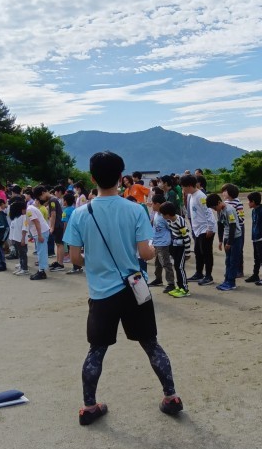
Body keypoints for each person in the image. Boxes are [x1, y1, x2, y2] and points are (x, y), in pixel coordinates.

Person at [65, 150, 183, 425]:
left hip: (101, 293)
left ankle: (89, 406)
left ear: (92, 178)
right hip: (134, 288)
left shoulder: (81, 214)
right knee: (151, 344)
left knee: (96, 350)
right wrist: (149, 248)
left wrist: (95, 261)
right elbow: (145, 253)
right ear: (121, 177)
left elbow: (74, 258)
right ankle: (171, 396)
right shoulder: (135, 209)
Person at [180, 174, 215, 286]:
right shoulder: (191, 196)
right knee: (198, 252)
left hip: (205, 229)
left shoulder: (201, 196)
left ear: (189, 186)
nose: (182, 189)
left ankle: (208, 276)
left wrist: (210, 228)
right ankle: (199, 273)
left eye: (183, 186)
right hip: (197, 229)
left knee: (206, 253)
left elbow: (208, 212)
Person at [206, 193, 242, 291]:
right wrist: (220, 240)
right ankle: (227, 279)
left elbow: (233, 227)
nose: (214, 210)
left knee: (233, 261)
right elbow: (220, 225)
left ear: (219, 202)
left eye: (214, 207)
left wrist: (229, 242)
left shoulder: (229, 210)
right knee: (228, 260)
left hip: (235, 238)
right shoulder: (220, 210)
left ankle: (231, 282)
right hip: (227, 237)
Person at [160, 201, 192, 297]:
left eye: (163, 214)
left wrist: (187, 253)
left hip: (182, 248)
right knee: (177, 267)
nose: (162, 216)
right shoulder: (169, 221)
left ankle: (185, 289)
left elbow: (186, 237)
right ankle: (180, 286)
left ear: (168, 214)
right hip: (175, 246)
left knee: (180, 268)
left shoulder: (180, 221)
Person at [149, 196, 176, 293]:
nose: (151, 205)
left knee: (166, 263)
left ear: (158, 204)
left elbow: (172, 228)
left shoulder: (165, 217)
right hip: (156, 242)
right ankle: (158, 279)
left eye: (152, 203)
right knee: (157, 263)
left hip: (163, 243)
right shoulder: (156, 214)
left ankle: (171, 283)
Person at [245, 192, 262, 285]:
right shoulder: (254, 211)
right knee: (256, 258)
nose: (248, 203)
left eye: (249, 201)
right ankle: (255, 274)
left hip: (261, 237)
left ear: (253, 202)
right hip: (255, 237)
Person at [24, 198, 50, 280]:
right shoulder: (30, 208)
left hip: (41, 232)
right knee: (41, 251)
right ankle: (41, 270)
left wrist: (40, 235)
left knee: (41, 251)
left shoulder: (29, 210)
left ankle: (42, 271)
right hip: (40, 232)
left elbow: (36, 222)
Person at [9, 199, 29, 275]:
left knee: (23, 254)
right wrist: (12, 238)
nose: (25, 210)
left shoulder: (24, 217)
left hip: (21, 239)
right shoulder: (16, 218)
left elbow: (25, 228)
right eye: (24, 209)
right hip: (16, 238)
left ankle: (25, 269)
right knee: (20, 254)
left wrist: (23, 239)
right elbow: (13, 229)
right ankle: (21, 266)